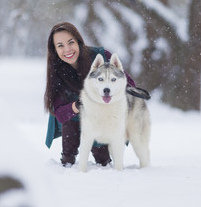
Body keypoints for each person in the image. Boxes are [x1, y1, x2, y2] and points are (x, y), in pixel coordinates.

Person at [44, 22, 135, 167]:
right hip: (74, 117)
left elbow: (129, 84)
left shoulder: (101, 56)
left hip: (103, 116)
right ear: (54, 50)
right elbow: (60, 114)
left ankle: (104, 163)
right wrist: (77, 106)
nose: (67, 49)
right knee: (69, 122)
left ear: (78, 41)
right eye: (60, 45)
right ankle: (67, 162)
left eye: (70, 42)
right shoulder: (57, 71)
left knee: (102, 158)